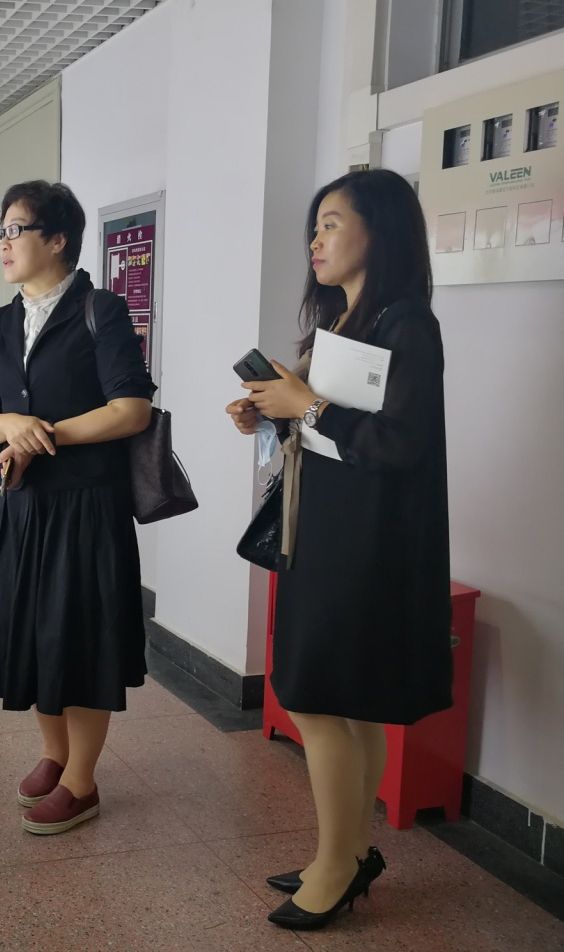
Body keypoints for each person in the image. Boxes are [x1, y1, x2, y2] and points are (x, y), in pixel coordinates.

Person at [227, 168, 451, 931]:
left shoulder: (406, 322)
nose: (314, 241)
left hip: (364, 542)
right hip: (324, 527)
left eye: (330, 223)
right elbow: (325, 427)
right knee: (345, 705)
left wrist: (308, 404)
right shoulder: (349, 320)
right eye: (314, 227)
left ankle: (334, 865)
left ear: (378, 230)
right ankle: (352, 853)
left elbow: (400, 442)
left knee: (317, 698)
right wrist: (271, 413)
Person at [0, 181, 154, 836]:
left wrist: (40, 434)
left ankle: (82, 781)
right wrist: (8, 427)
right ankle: (54, 752)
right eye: (2, 230)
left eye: (16, 229)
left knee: (79, 638)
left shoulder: (101, 309)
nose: (4, 242)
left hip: (84, 509)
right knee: (33, 634)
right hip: (19, 508)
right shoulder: (2, 322)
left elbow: (131, 409)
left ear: (57, 240)